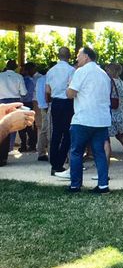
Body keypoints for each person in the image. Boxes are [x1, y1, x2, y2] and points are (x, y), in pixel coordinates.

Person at [66, 46, 111, 194]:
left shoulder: (81, 72)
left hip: (83, 119)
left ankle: (75, 185)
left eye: (79, 55)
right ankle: (103, 185)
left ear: (86, 56)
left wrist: (68, 86)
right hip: (101, 120)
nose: (77, 58)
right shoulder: (104, 74)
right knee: (99, 152)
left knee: (76, 152)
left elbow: (71, 94)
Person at [46, 47, 75, 176]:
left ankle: (53, 163)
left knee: (56, 133)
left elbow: (47, 90)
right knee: (68, 134)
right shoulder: (71, 70)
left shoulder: (51, 71)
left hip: (55, 102)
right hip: (67, 103)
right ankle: (60, 162)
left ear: (58, 56)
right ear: (69, 56)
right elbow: (72, 88)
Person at [0, 59, 27, 154]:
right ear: (15, 67)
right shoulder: (18, 77)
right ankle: (10, 148)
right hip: (14, 101)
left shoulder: (0, 76)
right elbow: (24, 92)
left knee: (1, 123)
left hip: (1, 101)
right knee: (13, 124)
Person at [18, 62, 37, 152]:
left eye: (22, 70)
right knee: (25, 125)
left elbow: (26, 94)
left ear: (26, 70)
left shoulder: (28, 80)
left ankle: (29, 144)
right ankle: (26, 144)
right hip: (26, 103)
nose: (20, 71)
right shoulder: (25, 80)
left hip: (26, 103)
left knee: (27, 125)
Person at [34, 66, 50, 161]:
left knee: (43, 129)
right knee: (48, 129)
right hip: (47, 106)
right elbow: (47, 94)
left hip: (41, 105)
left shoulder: (39, 80)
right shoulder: (48, 80)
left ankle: (41, 152)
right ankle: (45, 152)